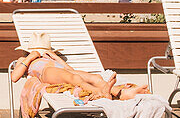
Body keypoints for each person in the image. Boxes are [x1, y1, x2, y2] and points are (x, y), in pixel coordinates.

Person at [11, 40, 150, 100]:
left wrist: (55, 57)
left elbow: (69, 70)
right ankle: (101, 92)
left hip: (58, 69)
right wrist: (30, 57)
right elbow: (14, 77)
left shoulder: (50, 57)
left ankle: (123, 93)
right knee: (75, 79)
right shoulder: (24, 60)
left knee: (96, 78)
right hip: (45, 72)